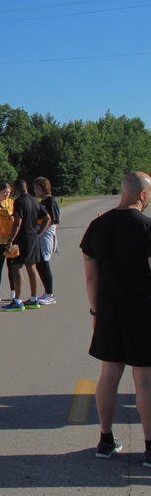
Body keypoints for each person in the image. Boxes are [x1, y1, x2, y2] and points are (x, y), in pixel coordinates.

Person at [80, 171, 151, 464]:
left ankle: (105, 440)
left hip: (109, 308)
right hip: (142, 308)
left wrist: (96, 312)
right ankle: (149, 447)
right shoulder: (147, 226)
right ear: (143, 195)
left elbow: (91, 278)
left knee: (109, 375)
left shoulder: (97, 225)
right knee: (144, 379)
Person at [2, 178, 50, 311]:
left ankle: (17, 300)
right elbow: (47, 218)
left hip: (22, 237)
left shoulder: (19, 202)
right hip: (33, 236)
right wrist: (39, 232)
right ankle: (34, 299)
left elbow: (18, 222)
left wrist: (11, 240)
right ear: (27, 187)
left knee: (16, 267)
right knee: (31, 267)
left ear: (16, 189)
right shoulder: (35, 201)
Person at [33, 177, 60, 305]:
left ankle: (50, 294)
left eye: (37, 187)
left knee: (44, 261)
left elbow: (53, 219)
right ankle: (46, 292)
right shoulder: (41, 202)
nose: (35, 190)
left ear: (43, 187)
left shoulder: (51, 201)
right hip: (39, 232)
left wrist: (40, 231)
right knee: (39, 262)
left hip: (47, 233)